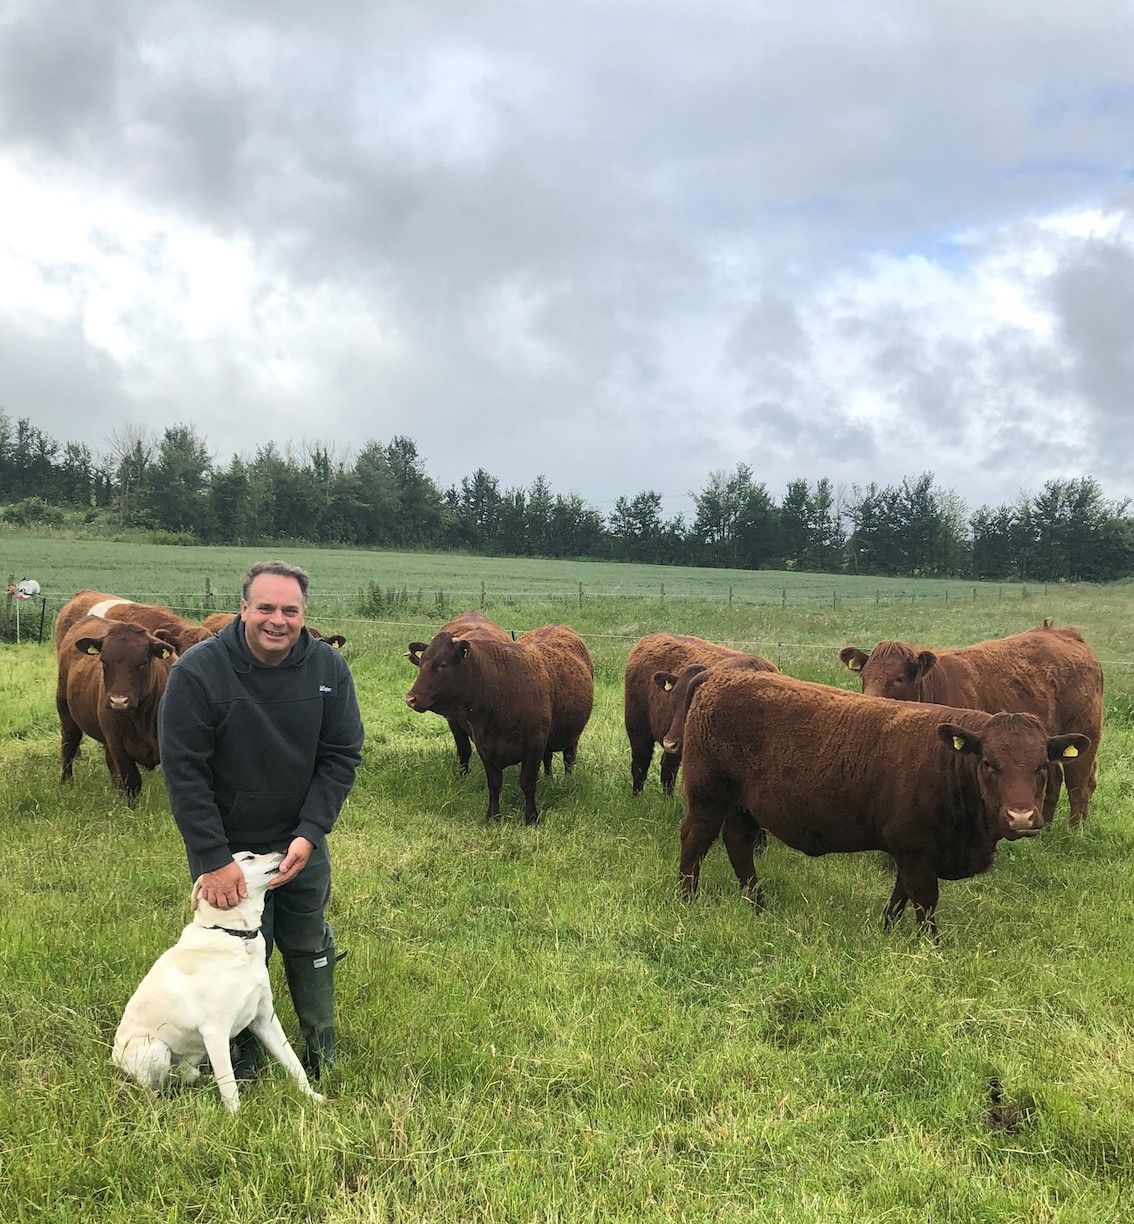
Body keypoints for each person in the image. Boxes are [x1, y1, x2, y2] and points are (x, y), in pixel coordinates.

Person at [158, 560, 364, 1079]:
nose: (278, 620)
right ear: (244, 607)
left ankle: (321, 1045)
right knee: (236, 948)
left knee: (307, 937)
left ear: (304, 614)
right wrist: (213, 858)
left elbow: (341, 753)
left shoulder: (327, 670)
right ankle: (241, 1053)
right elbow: (185, 773)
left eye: (290, 610)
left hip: (296, 839)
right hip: (228, 846)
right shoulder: (198, 672)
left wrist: (311, 832)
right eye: (266, 607)